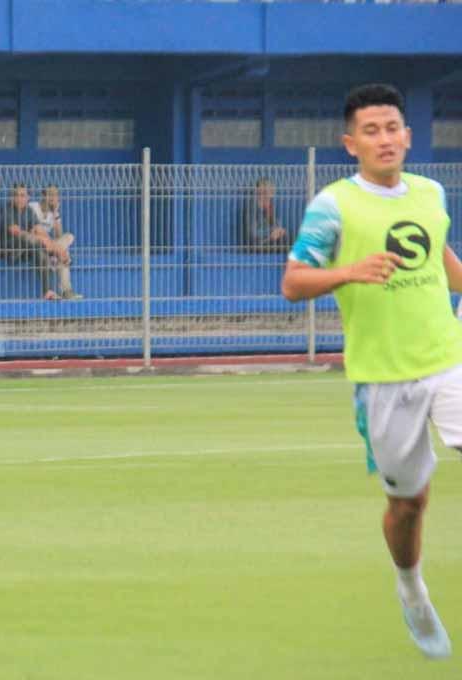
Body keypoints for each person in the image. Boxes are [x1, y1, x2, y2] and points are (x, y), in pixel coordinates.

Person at [281, 83, 458, 660]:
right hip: (383, 378)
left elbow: (443, 266)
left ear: (408, 136)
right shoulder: (333, 205)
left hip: (449, 358)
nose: (385, 139)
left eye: (392, 128)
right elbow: (293, 283)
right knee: (409, 505)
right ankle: (411, 588)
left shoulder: (430, 193)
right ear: (350, 143)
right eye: (371, 131)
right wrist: (350, 271)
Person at [29, 184, 82, 299]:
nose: (53, 197)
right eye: (50, 194)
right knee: (64, 253)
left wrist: (54, 213)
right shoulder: (33, 207)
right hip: (36, 246)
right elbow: (32, 230)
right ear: (43, 195)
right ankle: (66, 291)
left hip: (50, 247)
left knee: (69, 237)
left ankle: (55, 257)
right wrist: (53, 245)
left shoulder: (54, 214)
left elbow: (59, 235)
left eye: (56, 194)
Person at [240, 177, 289, 251]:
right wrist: (271, 232)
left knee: (293, 238)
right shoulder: (252, 208)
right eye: (263, 192)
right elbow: (251, 233)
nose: (265, 195)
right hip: (258, 244)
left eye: (270, 192)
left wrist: (280, 231)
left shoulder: (270, 207)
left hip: (271, 239)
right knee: (288, 241)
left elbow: (277, 224)